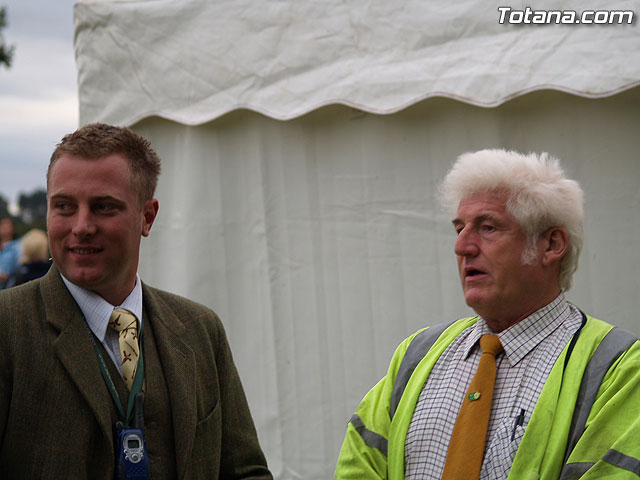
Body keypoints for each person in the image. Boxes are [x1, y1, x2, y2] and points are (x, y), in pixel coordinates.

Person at [335, 149, 640, 479]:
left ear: (551, 245)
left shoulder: (619, 369)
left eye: (488, 227)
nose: (462, 246)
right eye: (459, 229)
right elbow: (358, 467)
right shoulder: (416, 354)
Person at [0, 123, 272, 479]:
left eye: (103, 207)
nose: (81, 226)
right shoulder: (8, 327)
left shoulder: (201, 331)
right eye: (64, 206)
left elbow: (245, 471)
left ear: (147, 217)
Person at [0, 216, 20, 289]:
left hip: (8, 288)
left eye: (7, 225)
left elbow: (19, 268)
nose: (4, 228)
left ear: (13, 229)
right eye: (2, 225)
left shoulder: (18, 247)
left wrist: (7, 276)